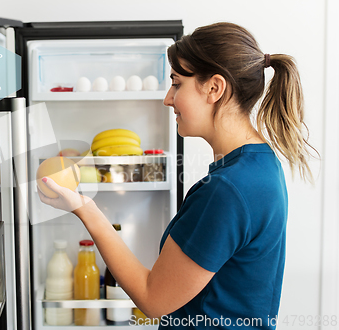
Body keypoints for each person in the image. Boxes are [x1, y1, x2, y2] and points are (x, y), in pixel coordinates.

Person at [38, 22, 316, 329]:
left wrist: (84, 208)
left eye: (177, 83)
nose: (167, 99)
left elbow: (152, 299)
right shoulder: (260, 165)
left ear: (214, 88)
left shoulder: (227, 189)